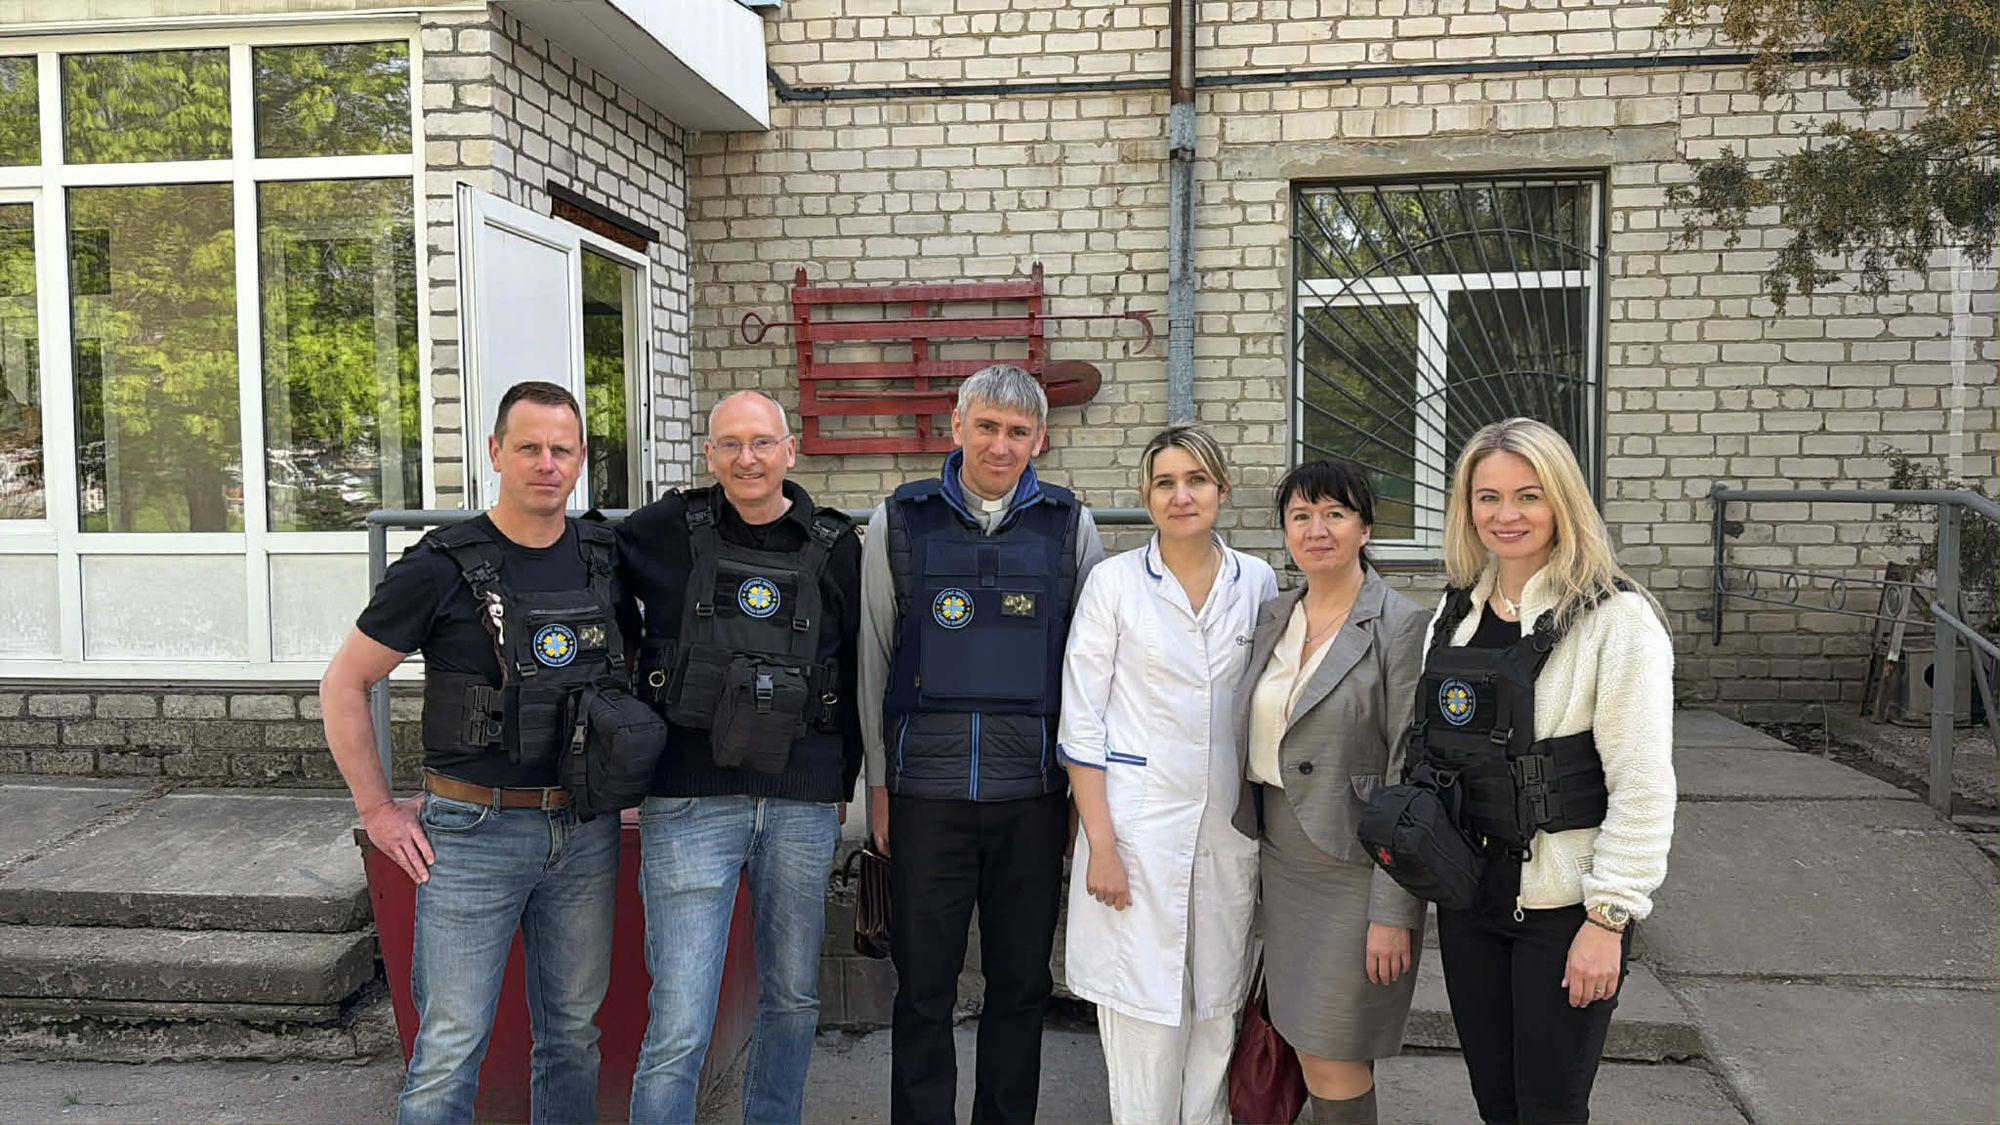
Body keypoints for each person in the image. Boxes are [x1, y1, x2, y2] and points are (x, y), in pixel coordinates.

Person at [320, 380, 625, 1125]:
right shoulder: (439, 565)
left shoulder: (604, 557)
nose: (546, 464)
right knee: (450, 1047)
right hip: (471, 833)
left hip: (584, 831)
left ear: (581, 458)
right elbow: (345, 682)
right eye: (529, 447)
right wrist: (377, 810)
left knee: (574, 1037)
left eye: (561, 449)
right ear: (495, 451)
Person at [858, 363, 1106, 1125]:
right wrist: (879, 787)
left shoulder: (1071, 526)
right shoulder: (898, 520)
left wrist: (1079, 799)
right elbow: (874, 657)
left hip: (1031, 798)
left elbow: (1091, 675)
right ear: (957, 424)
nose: (1001, 444)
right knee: (923, 989)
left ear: (1041, 439)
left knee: (1021, 987)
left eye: (1017, 431)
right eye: (988, 426)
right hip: (924, 798)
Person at [1418, 418, 1675, 1125]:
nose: (1506, 515)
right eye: (1488, 497)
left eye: (1528, 496)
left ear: (1562, 501)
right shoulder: (1454, 612)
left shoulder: (1616, 620)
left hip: (1564, 913)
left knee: (1550, 1110)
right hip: (1470, 902)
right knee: (1496, 1104)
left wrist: (1609, 918)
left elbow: (1643, 786)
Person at [617, 390, 863, 1125]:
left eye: (761, 442)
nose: (746, 458)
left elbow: (858, 668)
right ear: (709, 454)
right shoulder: (661, 530)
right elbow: (588, 587)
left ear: (790, 450)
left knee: (792, 998)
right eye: (730, 443)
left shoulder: (838, 544)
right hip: (689, 799)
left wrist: (843, 781)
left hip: (801, 798)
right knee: (681, 1015)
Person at [1058, 426, 1275, 1124]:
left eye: (1197, 480)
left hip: (1227, 834)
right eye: (1165, 483)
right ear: (1146, 496)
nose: (1182, 495)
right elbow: (1081, 725)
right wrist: (1102, 844)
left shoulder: (1257, 582)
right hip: (1133, 833)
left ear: (1222, 489)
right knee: (1144, 1023)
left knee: (1216, 1013)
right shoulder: (1114, 583)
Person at [1231, 459, 1430, 1125]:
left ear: (1365, 528)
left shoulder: (1400, 625)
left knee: (1332, 1049)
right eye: (1301, 516)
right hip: (1281, 860)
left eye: (1335, 514)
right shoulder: (1273, 616)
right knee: (1302, 1037)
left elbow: (1408, 773)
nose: (1317, 530)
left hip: (1356, 869)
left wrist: (1394, 911)